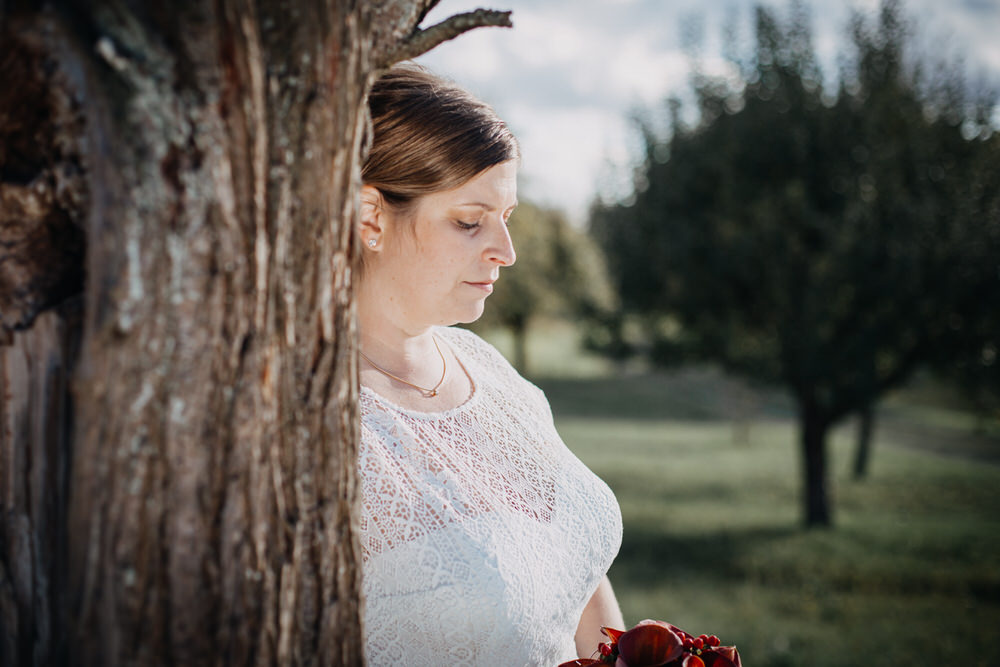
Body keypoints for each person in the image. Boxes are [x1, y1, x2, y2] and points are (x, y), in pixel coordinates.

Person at [356, 63, 623, 666]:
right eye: (469, 222)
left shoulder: (491, 373)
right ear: (370, 217)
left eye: (506, 218)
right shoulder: (314, 419)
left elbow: (576, 573)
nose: (506, 252)